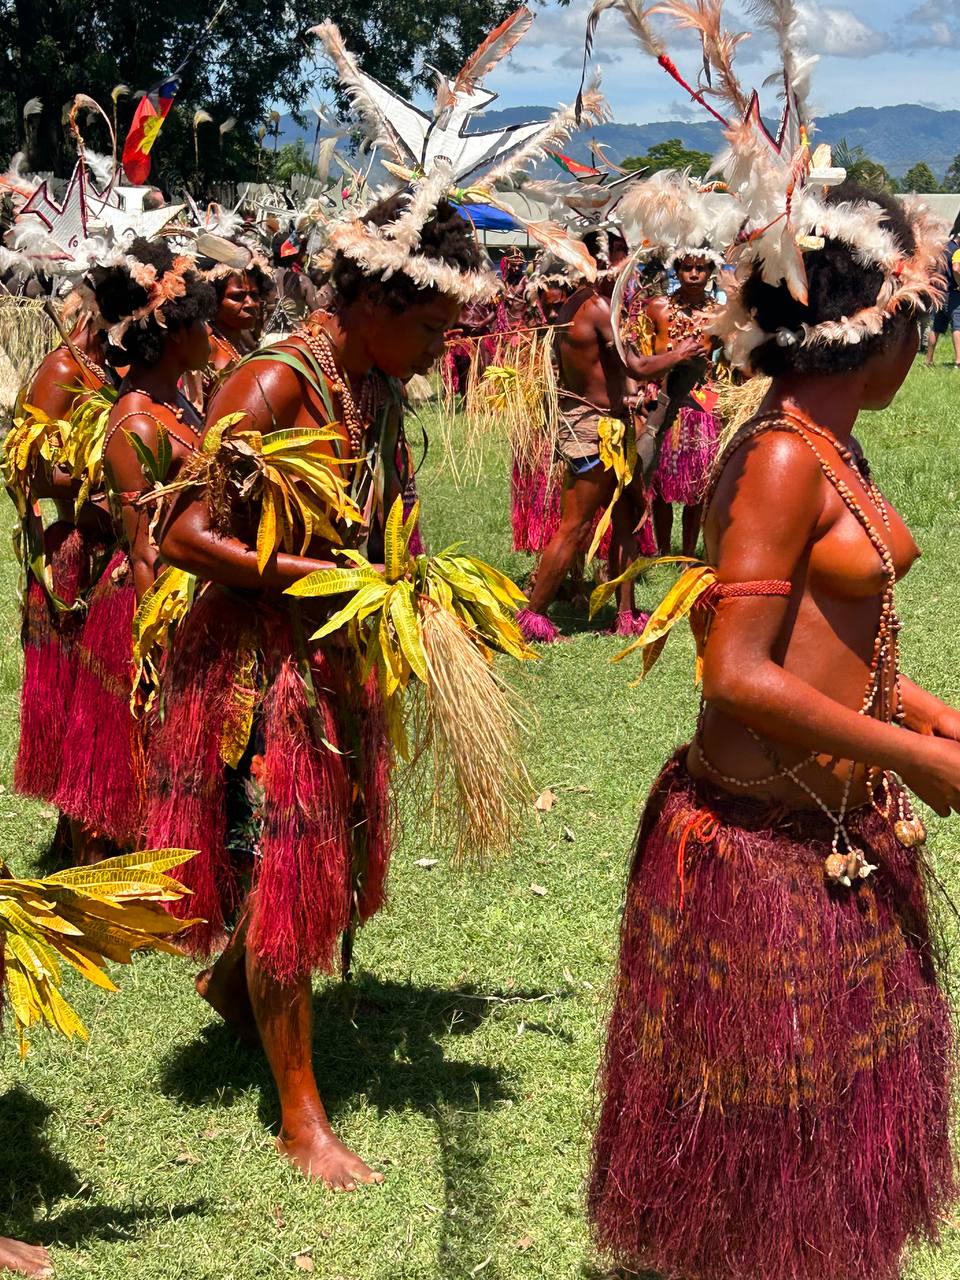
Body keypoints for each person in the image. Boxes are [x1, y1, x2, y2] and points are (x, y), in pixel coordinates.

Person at [588, 173, 958, 1279]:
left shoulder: (834, 444)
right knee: (769, 1170)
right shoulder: (784, 455)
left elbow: (831, 653)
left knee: (833, 1161)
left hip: (834, 840)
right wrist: (919, 762)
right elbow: (737, 672)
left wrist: (930, 715)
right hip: (764, 849)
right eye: (922, 316)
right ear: (879, 321)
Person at [53, 239, 215, 849]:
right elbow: (143, 544)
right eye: (199, 320)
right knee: (133, 733)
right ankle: (113, 857)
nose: (209, 332)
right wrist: (161, 638)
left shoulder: (177, 401)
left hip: (186, 585)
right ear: (170, 333)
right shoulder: (138, 421)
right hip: (143, 603)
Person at [518, 229, 701, 641]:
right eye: (620, 256)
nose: (626, 267)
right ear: (604, 262)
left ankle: (625, 613)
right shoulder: (598, 307)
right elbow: (635, 365)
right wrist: (680, 354)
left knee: (628, 517)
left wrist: (633, 400)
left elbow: (618, 372)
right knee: (575, 525)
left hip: (606, 424)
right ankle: (532, 617)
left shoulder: (578, 304)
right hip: (593, 429)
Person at [645, 252, 721, 557]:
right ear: (677, 270)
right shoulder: (657, 308)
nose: (693, 274)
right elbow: (641, 352)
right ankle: (664, 552)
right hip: (663, 398)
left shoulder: (719, 315)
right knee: (660, 481)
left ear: (709, 272)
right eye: (687, 267)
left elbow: (731, 361)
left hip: (703, 399)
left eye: (700, 269)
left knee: (697, 482)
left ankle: (688, 554)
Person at [923, 210, 960, 367]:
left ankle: (928, 360)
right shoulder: (957, 251)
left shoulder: (943, 248)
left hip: (938, 293)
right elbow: (957, 268)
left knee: (936, 327)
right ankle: (959, 361)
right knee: (958, 326)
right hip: (953, 293)